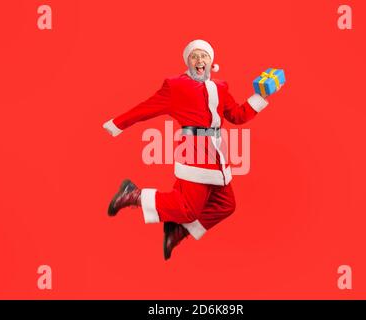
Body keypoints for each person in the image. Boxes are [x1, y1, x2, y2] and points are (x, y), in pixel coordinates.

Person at [103, 39, 273, 260]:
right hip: (192, 152)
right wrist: (117, 123)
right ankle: (133, 195)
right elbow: (146, 108)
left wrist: (260, 97)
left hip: (216, 154)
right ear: (188, 62)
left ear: (211, 62)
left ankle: (178, 231)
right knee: (187, 208)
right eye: (194, 56)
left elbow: (237, 116)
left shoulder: (220, 87)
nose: (199, 60)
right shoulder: (176, 86)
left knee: (225, 205)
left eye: (204, 56)